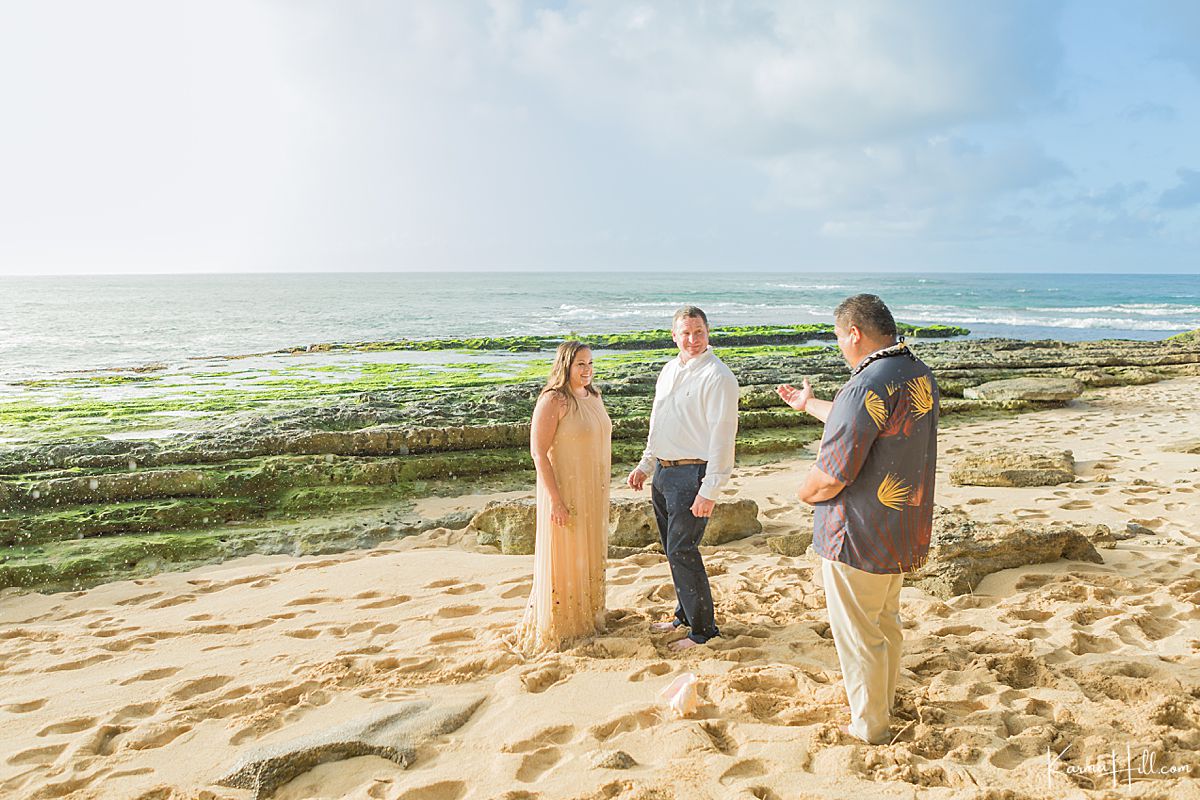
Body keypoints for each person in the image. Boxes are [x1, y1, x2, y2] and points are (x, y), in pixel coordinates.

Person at [777, 294, 938, 745]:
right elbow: (871, 421)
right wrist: (809, 405)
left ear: (855, 333)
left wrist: (803, 493)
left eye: (839, 339)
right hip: (901, 529)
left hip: (858, 533)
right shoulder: (914, 372)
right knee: (885, 624)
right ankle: (882, 709)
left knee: (860, 635)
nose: (840, 348)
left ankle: (870, 727)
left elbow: (830, 477)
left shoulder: (866, 384)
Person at [628, 306, 739, 652]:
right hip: (663, 471)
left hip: (694, 473)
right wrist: (647, 464)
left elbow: (723, 438)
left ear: (708, 333)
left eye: (699, 332)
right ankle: (684, 615)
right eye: (686, 333)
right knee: (672, 550)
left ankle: (703, 631)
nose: (692, 340)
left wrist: (710, 490)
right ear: (674, 335)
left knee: (683, 549)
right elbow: (657, 421)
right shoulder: (669, 369)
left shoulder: (719, 378)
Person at [513, 341, 612, 653]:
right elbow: (538, 453)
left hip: (593, 489)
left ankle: (588, 618)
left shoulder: (594, 395)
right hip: (565, 490)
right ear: (565, 365)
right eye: (580, 364)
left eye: (590, 363)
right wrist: (555, 500)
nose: (586, 370)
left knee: (590, 550)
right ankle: (563, 624)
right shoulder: (553, 400)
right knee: (566, 553)